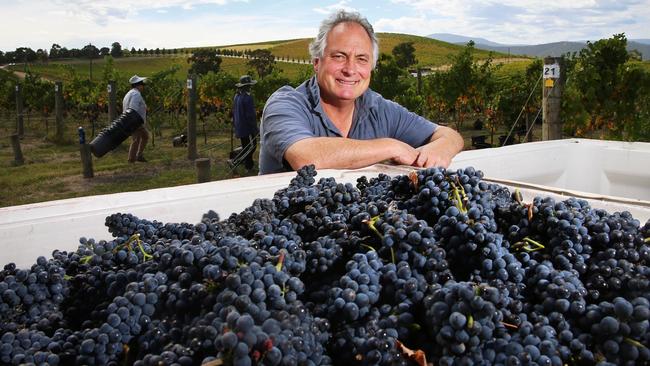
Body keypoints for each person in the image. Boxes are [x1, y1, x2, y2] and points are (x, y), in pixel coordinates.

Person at [259, 10, 464, 175]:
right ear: (316, 62)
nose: (350, 69)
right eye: (339, 56)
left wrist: (440, 149)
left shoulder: (379, 108)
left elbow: (449, 135)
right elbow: (307, 158)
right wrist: (391, 147)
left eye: (361, 59)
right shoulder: (285, 104)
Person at [232, 75, 259, 171]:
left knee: (245, 146)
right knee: (251, 147)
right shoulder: (248, 98)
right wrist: (255, 129)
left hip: (240, 126)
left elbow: (234, 112)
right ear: (247, 86)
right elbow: (250, 115)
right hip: (247, 128)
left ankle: (249, 166)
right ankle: (235, 161)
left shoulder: (237, 96)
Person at [123, 75, 149, 163]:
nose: (143, 87)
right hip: (135, 121)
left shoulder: (129, 93)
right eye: (142, 85)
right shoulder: (136, 94)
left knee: (143, 136)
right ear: (138, 85)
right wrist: (136, 123)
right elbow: (133, 108)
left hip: (131, 120)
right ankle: (132, 158)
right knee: (136, 139)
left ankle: (138, 156)